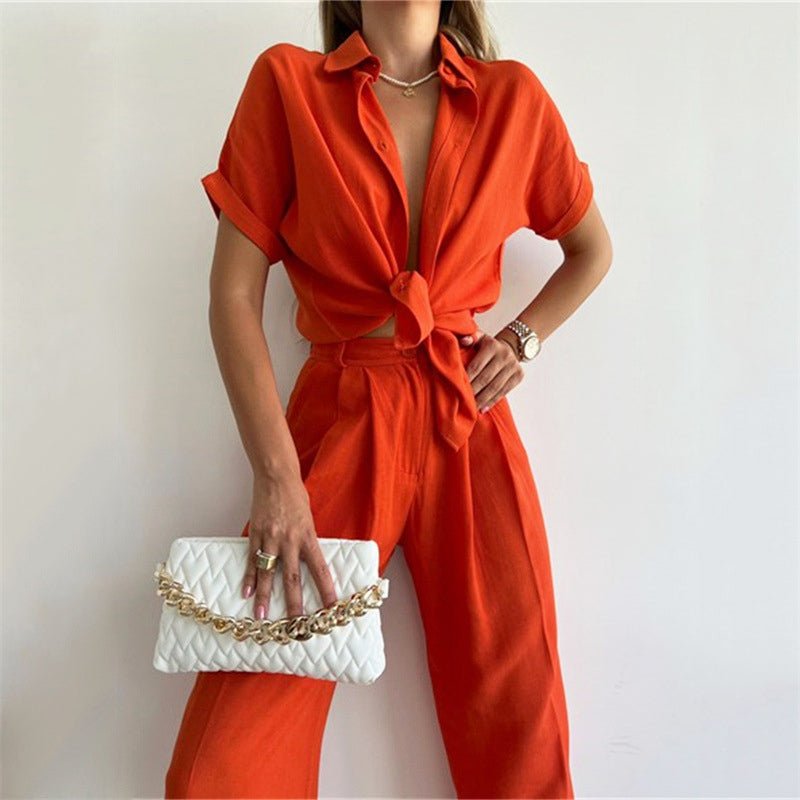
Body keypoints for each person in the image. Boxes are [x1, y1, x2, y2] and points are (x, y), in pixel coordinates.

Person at [164, 0, 612, 797]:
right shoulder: (288, 85)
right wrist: (276, 477)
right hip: (340, 415)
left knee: (519, 719)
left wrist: (522, 340)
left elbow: (591, 249)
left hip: (466, 416)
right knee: (228, 756)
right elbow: (231, 297)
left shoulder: (512, 99)